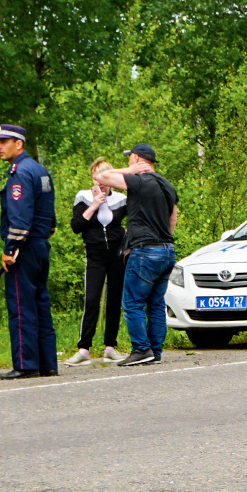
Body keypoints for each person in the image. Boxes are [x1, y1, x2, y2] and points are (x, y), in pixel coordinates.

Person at [95, 143, 177, 367]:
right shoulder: (167, 186)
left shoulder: (137, 180)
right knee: (156, 304)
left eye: (129, 158)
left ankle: (141, 349)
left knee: (132, 303)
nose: (127, 162)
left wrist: (129, 171)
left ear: (136, 158)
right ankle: (155, 351)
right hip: (167, 250)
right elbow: (173, 220)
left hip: (144, 250)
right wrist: (162, 242)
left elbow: (101, 176)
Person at [0, 124, 57, 379]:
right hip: (40, 245)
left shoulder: (19, 172)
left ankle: (25, 364)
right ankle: (47, 364)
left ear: (18, 144)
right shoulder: (40, 170)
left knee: (21, 305)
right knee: (41, 303)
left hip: (24, 248)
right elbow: (50, 218)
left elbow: (19, 216)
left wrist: (10, 248)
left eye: (3, 141)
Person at [63, 159, 127, 365]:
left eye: (105, 178)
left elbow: (133, 221)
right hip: (95, 256)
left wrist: (127, 235)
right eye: (97, 178)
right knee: (91, 300)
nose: (101, 183)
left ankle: (110, 347)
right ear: (92, 178)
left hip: (116, 255)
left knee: (114, 301)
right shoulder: (82, 196)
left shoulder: (121, 199)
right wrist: (94, 204)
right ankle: (83, 349)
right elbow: (76, 226)